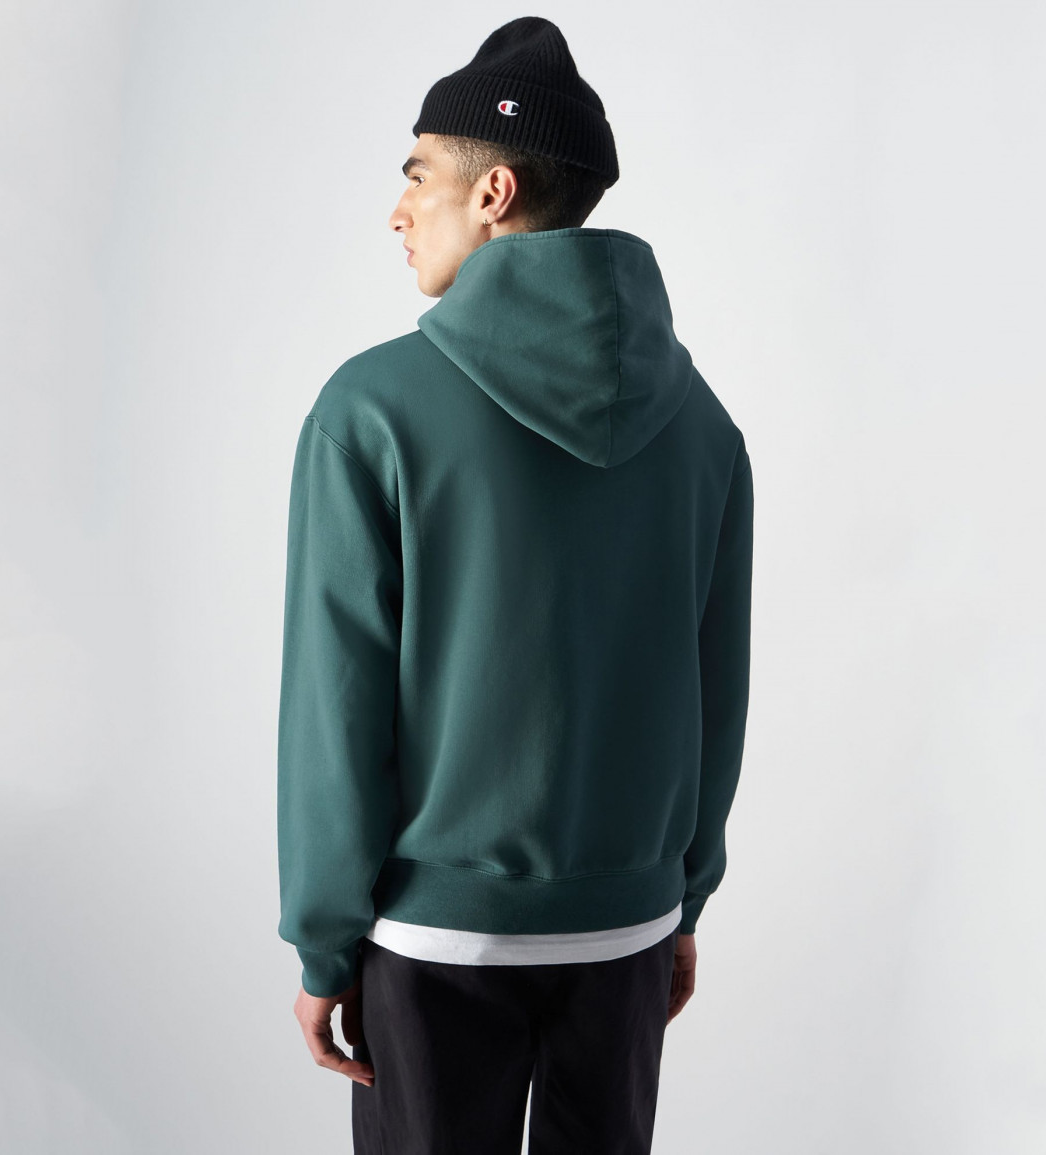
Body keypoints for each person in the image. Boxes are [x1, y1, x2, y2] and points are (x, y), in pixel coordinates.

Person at [276, 16, 755, 1153]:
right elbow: (717, 684)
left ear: (491, 193)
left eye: (417, 176)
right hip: (627, 927)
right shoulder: (704, 429)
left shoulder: (371, 411)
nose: (397, 211)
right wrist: (681, 895)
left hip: (437, 940)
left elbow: (337, 707)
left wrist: (324, 943)